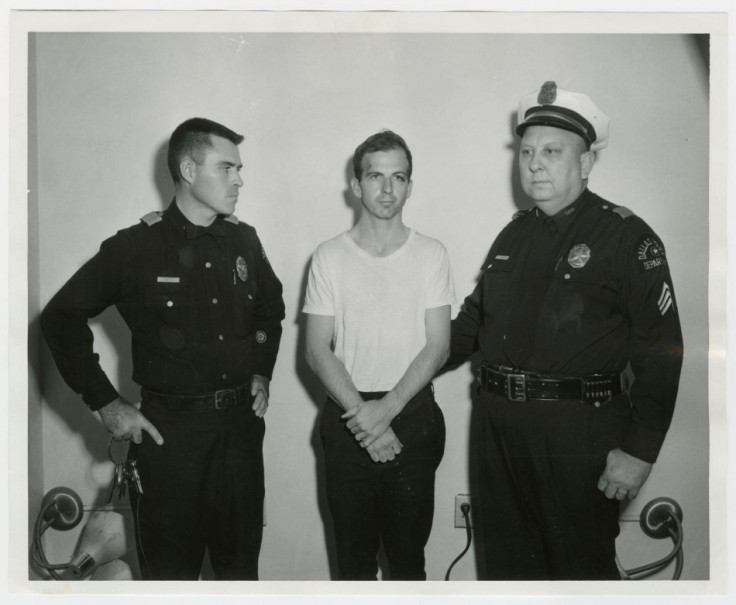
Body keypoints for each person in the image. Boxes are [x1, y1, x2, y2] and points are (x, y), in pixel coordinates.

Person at [449, 82, 684, 580]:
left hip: (577, 435)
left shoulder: (626, 236)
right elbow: (470, 325)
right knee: (506, 573)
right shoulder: (513, 233)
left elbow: (661, 351)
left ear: (585, 164)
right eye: (527, 151)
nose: (534, 163)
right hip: (497, 429)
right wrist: (399, 366)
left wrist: (640, 451)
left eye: (552, 152)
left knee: (578, 573)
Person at [40, 117, 285, 580]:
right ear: (189, 170)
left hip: (238, 436)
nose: (239, 179)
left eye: (239, 168)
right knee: (170, 578)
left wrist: (261, 370)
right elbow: (60, 316)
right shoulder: (137, 247)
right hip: (169, 440)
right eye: (227, 167)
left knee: (241, 574)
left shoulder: (244, 240)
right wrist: (106, 403)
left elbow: (270, 310)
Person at [303, 130, 455, 580]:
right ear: (356, 185)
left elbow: (439, 344)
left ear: (410, 185)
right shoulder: (329, 256)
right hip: (348, 415)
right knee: (353, 565)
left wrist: (386, 411)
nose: (387, 189)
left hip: (409, 412)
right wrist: (365, 419)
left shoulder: (431, 253)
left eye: (398, 177)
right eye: (375, 176)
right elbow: (316, 349)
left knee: (408, 563)